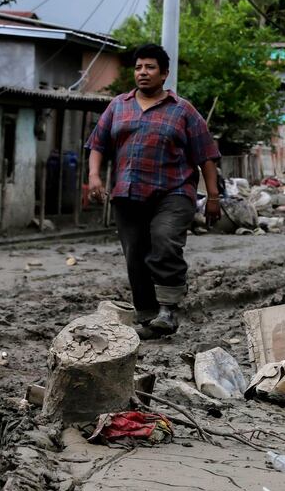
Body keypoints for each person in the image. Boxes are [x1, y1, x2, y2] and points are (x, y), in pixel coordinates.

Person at [85, 43, 221, 339]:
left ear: (164, 75)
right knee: (135, 254)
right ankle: (148, 317)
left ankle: (169, 309)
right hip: (128, 194)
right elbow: (97, 144)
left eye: (150, 67)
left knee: (164, 240)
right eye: (138, 67)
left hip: (173, 192)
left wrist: (213, 197)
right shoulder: (118, 106)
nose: (142, 73)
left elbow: (206, 156)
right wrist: (94, 176)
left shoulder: (183, 111)